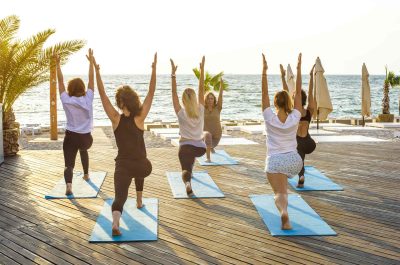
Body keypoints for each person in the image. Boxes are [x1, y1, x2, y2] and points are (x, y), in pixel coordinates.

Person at [90, 51, 157, 236]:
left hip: (122, 166)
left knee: (120, 197)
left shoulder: (115, 118)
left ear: (120, 103)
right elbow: (151, 93)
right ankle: (140, 200)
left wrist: (96, 71)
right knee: (144, 163)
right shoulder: (140, 117)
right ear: (133, 100)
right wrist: (154, 70)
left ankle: (116, 223)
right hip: (142, 166)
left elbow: (102, 94)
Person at [262, 53, 303, 230]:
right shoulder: (295, 116)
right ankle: (285, 210)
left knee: (279, 193)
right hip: (295, 161)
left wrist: (264, 71)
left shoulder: (269, 117)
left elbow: (263, 93)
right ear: (290, 101)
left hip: (276, 160)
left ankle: (283, 212)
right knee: (284, 188)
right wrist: (299, 69)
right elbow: (299, 93)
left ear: (274, 103)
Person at [55, 49, 95, 196]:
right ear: (83, 88)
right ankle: (86, 174)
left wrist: (58, 65)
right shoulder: (88, 98)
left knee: (69, 164)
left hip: (71, 137)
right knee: (83, 150)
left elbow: (60, 82)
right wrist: (91, 63)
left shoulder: (66, 100)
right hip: (86, 139)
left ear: (70, 89)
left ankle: (69, 186)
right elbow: (91, 80)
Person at [170, 56, 206, 195]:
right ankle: (190, 174)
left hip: (185, 147)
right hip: (200, 148)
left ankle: (187, 183)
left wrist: (173, 75)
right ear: (195, 99)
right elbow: (201, 88)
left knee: (185, 169)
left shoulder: (181, 113)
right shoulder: (201, 110)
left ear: (183, 100)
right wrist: (202, 70)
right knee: (190, 160)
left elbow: (173, 94)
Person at [280, 64, 317, 188]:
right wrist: (311, 76)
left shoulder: (292, 112)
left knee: (296, 156)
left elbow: (285, 92)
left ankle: (300, 175)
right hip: (310, 143)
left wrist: (282, 76)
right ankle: (297, 173)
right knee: (300, 157)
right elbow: (311, 92)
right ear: (305, 99)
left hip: (297, 142)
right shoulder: (309, 111)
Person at [203, 80, 224, 162]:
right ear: (205, 100)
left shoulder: (218, 108)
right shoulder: (203, 109)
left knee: (211, 145)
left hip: (216, 133)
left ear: (214, 99)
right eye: (208, 98)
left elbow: (221, 97)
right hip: (206, 132)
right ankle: (208, 158)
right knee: (208, 141)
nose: (210, 100)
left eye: (211, 98)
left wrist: (221, 86)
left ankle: (211, 148)